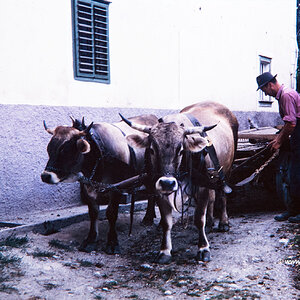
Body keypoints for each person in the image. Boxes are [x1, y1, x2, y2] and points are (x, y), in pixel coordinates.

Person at [256, 72, 300, 223]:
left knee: (297, 174)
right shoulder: (284, 95)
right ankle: (293, 210)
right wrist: (278, 137)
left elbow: (292, 123)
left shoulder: (286, 95)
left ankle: (297, 211)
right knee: (294, 174)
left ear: (269, 85)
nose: (265, 94)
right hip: (296, 133)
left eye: (264, 90)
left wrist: (279, 141)